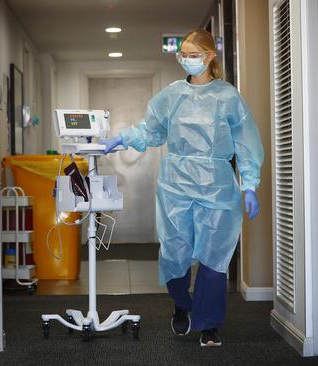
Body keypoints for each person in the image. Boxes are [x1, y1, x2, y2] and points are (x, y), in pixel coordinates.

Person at [101, 28, 264, 347]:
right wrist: (124, 138)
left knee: (214, 257)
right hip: (176, 184)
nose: (187, 60)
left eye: (193, 55)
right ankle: (181, 305)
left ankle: (209, 325)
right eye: (183, 55)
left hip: (216, 186)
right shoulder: (172, 95)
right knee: (174, 252)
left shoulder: (228, 97)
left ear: (210, 56)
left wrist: (250, 185)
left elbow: (246, 141)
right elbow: (151, 130)